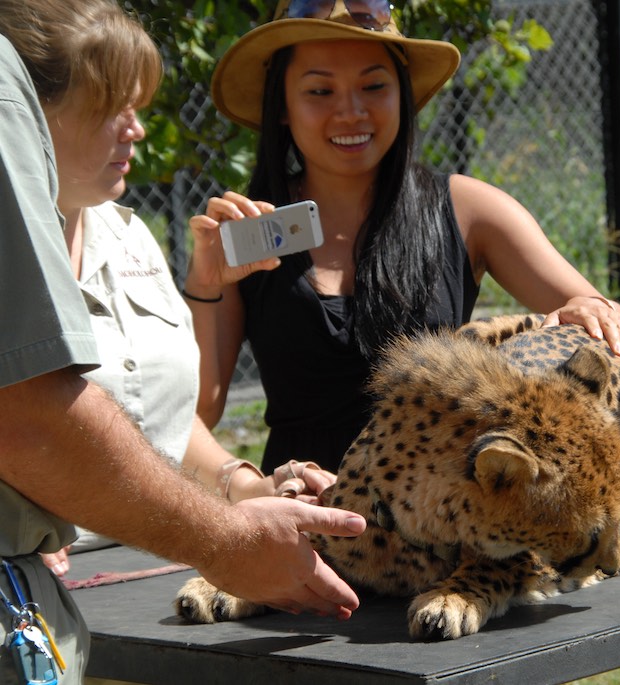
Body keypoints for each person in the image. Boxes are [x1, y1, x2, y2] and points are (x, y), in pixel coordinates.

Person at [0, 2, 365, 682]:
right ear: (32, 114)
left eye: (140, 104)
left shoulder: (130, 235)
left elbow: (175, 422)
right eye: (113, 105)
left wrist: (249, 484)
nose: (135, 128)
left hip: (162, 573)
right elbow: (30, 421)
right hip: (64, 593)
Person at [185, 0, 620, 476]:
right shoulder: (245, 233)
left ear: (401, 93)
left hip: (441, 524)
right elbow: (199, 411)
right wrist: (206, 278)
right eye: (320, 90)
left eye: (374, 86)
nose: (351, 111)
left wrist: (590, 311)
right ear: (281, 106)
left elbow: (604, 318)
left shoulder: (468, 209)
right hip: (300, 520)